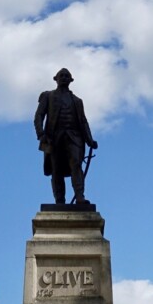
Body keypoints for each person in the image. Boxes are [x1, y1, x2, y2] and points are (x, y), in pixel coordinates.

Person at [34, 68, 98, 206]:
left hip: (74, 137)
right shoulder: (48, 96)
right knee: (56, 169)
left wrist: (89, 140)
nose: (63, 77)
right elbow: (39, 116)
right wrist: (41, 134)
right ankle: (60, 201)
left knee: (76, 164)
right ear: (55, 78)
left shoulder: (77, 101)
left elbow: (83, 121)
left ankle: (80, 196)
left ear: (71, 80)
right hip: (54, 138)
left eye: (66, 76)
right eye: (61, 75)